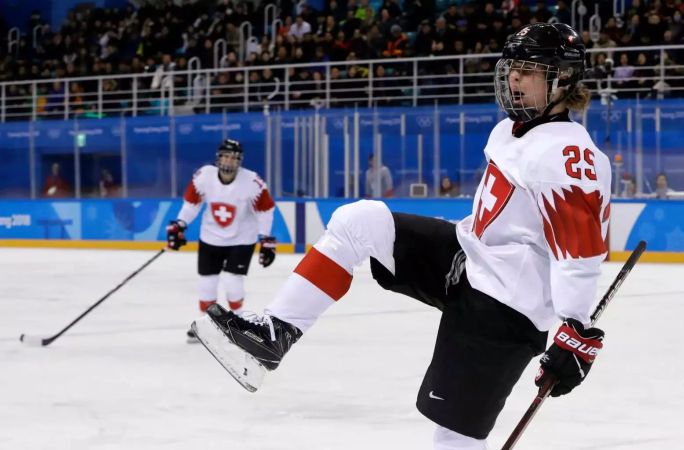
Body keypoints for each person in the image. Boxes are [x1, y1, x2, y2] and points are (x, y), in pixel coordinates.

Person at [191, 23, 611, 450]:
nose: (514, 78)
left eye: (529, 69)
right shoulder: (510, 130)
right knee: (359, 222)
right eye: (512, 68)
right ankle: (274, 335)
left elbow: (579, 253)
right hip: (468, 262)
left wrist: (575, 328)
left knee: (454, 434)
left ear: (562, 79)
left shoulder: (568, 155)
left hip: (507, 306)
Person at [167, 139, 278, 343]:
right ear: (218, 158)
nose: (229, 160)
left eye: (234, 157)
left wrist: (266, 239)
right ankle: (206, 323)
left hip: (242, 238)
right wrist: (180, 223)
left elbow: (265, 210)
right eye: (225, 156)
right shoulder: (204, 176)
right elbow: (192, 203)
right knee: (207, 282)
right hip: (210, 237)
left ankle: (236, 321)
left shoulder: (252, 182)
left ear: (239, 161)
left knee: (232, 280)